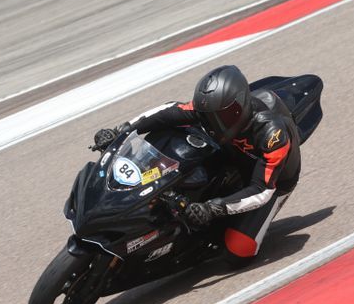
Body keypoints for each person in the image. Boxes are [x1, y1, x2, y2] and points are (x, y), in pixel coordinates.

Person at [93, 65, 301, 263]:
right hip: (230, 155)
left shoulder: (272, 135)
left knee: (238, 250)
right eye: (208, 116)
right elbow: (168, 111)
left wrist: (212, 209)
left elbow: (261, 190)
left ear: (240, 108)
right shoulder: (211, 110)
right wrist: (120, 131)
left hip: (273, 183)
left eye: (222, 117)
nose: (214, 123)